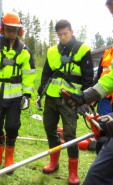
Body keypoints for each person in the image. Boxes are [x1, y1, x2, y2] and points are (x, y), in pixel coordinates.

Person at [60, 1, 113, 184]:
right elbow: (107, 79)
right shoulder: (108, 54)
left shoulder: (83, 51)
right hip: (106, 101)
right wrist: (85, 97)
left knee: (96, 178)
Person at [0, 12, 36, 172]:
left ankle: (9, 158)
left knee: (12, 126)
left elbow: (29, 75)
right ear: (2, 29)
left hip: (15, 98)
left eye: (14, 29)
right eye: (8, 29)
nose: (11, 32)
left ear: (19, 31)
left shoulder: (25, 51)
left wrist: (27, 95)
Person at [36, 19, 94, 185]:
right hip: (52, 98)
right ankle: (54, 163)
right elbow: (46, 74)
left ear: (71, 31)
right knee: (49, 129)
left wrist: (85, 100)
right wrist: (40, 94)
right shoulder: (52, 51)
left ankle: (73, 173)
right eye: (60, 34)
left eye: (65, 33)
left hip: (71, 100)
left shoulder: (83, 50)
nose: (63, 37)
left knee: (70, 135)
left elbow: (88, 78)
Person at [93, 48, 113, 154]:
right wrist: (92, 97)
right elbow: (99, 77)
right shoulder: (106, 54)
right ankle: (101, 159)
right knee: (103, 130)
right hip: (105, 98)